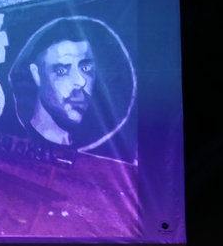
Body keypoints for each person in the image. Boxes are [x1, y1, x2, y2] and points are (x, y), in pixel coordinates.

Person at [10, 16, 136, 155]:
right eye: (62, 71)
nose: (81, 82)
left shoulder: (94, 150)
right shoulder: (17, 143)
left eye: (86, 68)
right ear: (36, 74)